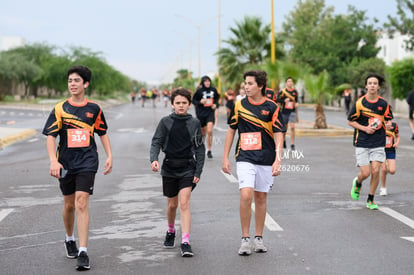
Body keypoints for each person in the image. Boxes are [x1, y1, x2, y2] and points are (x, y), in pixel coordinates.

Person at [43, 65, 113, 271]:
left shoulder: (94, 109)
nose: (72, 84)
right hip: (65, 162)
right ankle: (69, 238)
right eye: (70, 81)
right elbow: (50, 136)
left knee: (81, 202)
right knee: (69, 204)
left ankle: (83, 251)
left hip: (88, 161)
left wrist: (110, 155)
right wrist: (52, 161)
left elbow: (102, 132)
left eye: (76, 81)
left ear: (86, 84)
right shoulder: (59, 108)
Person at [222, 70, 284, 256]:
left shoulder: (272, 107)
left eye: (250, 83)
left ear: (260, 86)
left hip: (266, 158)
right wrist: (225, 157)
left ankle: (258, 237)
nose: (246, 87)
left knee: (261, 198)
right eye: (245, 83)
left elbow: (280, 133)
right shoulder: (239, 106)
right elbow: (232, 131)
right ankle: (245, 238)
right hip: (245, 156)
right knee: (246, 194)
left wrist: (278, 159)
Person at [150, 88, 205, 257]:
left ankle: (186, 241)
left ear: (189, 104)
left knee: (184, 203)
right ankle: (171, 230)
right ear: (172, 104)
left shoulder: (194, 123)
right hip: (169, 168)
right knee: (172, 205)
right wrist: (154, 158)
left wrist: (198, 170)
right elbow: (156, 141)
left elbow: (199, 148)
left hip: (188, 167)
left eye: (184, 103)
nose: (181, 106)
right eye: (178, 103)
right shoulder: (165, 121)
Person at [348, 73, 393, 210]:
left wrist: (389, 124)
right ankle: (358, 182)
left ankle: (370, 199)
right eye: (370, 83)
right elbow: (351, 121)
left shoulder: (383, 104)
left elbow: (388, 118)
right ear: (366, 86)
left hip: (378, 142)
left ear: (378, 86)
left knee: (375, 170)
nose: (372, 85)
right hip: (362, 142)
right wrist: (365, 129)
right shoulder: (360, 103)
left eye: (375, 83)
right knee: (366, 173)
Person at [192, 75, 220, 158]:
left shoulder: (213, 90)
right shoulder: (199, 91)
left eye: (208, 81)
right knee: (203, 133)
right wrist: (200, 101)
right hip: (201, 113)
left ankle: (209, 150)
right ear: (203, 82)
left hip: (210, 113)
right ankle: (201, 147)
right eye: (205, 81)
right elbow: (193, 101)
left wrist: (215, 104)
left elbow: (217, 99)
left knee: (210, 130)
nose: (207, 83)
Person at [277, 77, 299, 150]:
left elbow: (297, 100)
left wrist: (297, 104)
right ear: (286, 83)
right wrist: (284, 101)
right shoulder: (283, 91)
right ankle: (284, 140)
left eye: (291, 81)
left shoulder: (295, 92)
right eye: (288, 81)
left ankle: (292, 144)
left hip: (292, 111)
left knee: (292, 127)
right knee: (285, 128)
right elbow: (278, 99)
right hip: (284, 111)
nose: (290, 83)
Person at [380, 120, 399, 196]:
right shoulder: (380, 124)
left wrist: (397, 143)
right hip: (381, 150)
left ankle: (385, 170)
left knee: (392, 171)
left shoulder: (394, 125)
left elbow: (397, 136)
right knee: (383, 169)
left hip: (391, 150)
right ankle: (383, 188)